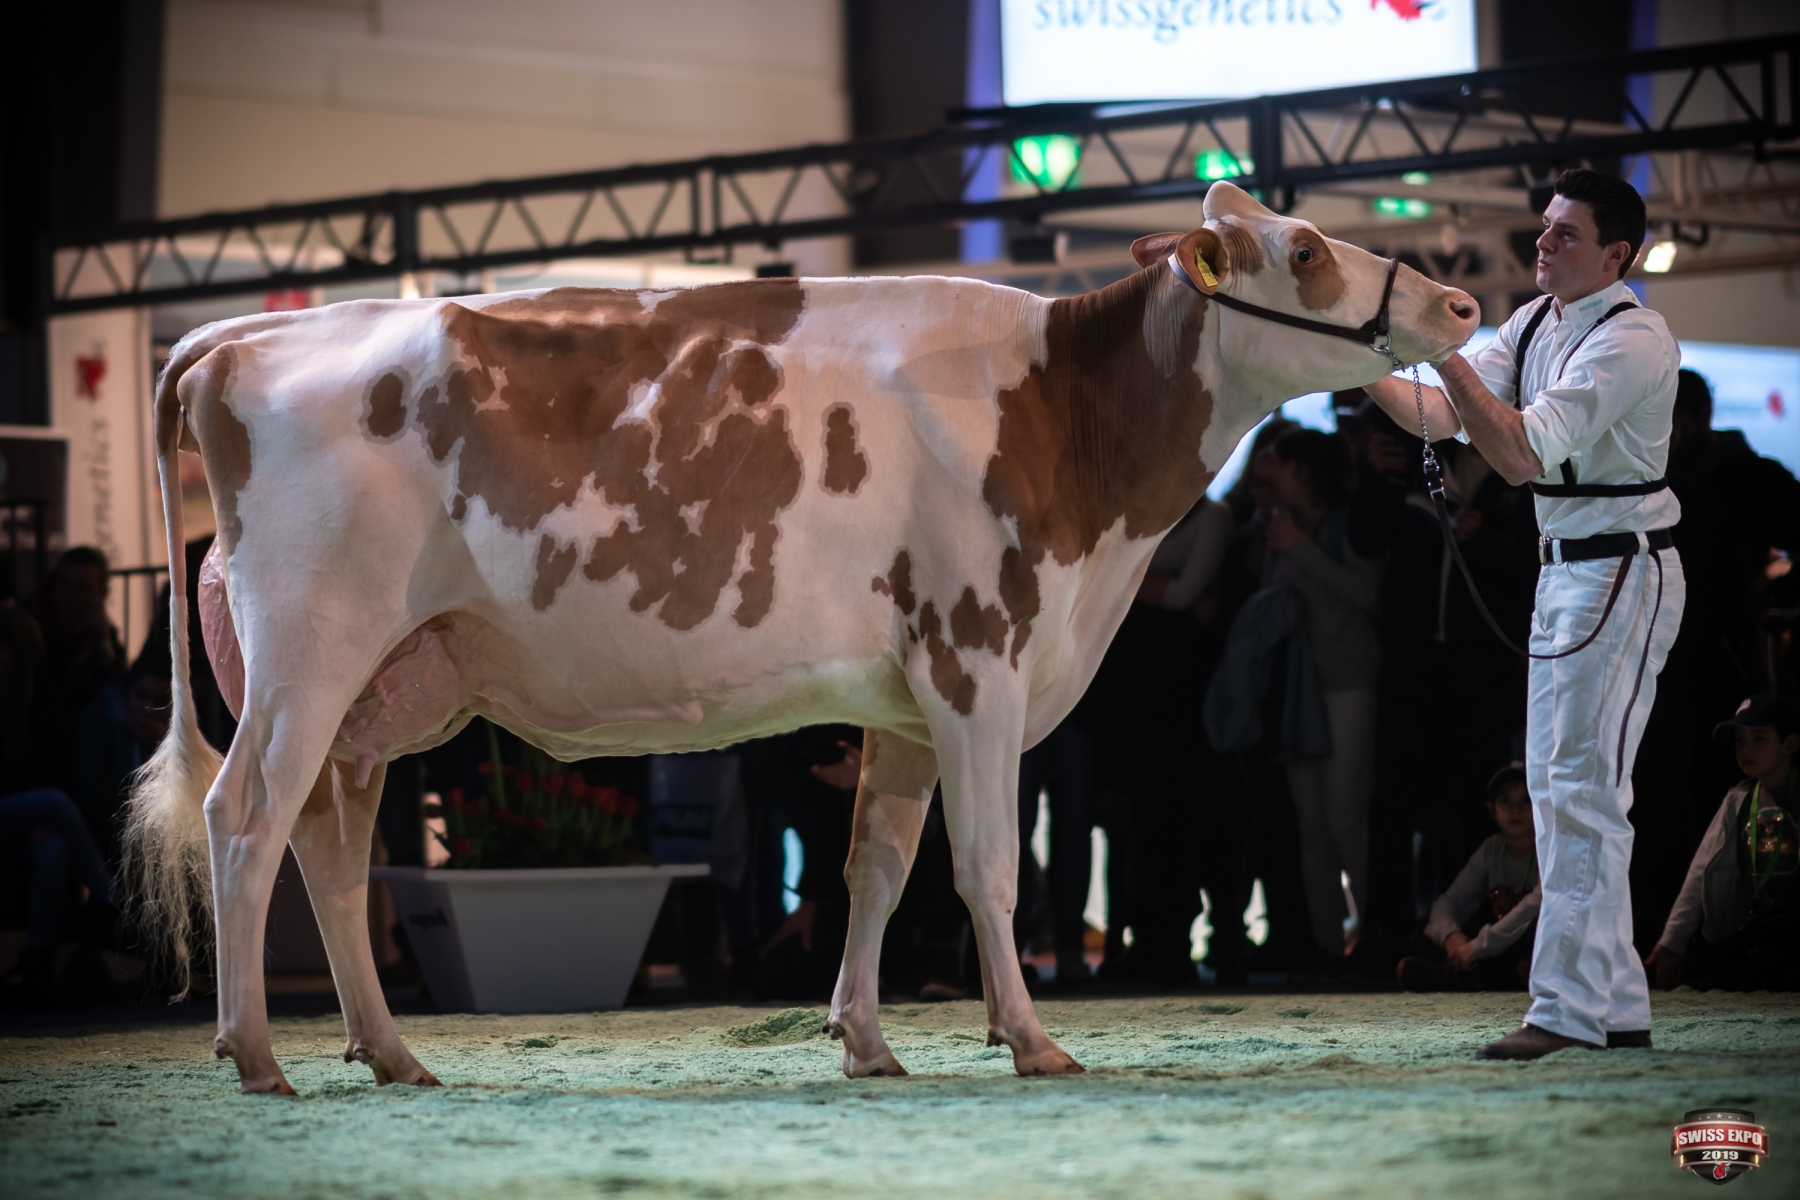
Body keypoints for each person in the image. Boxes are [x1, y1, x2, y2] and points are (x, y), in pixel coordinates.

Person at [1364, 168, 1684, 1058]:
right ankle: (1614, 1005)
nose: (1542, 242)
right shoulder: (1538, 320)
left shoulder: (1635, 338)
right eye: (1545, 226)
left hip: (1621, 565)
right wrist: (1362, 357)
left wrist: (1437, 349)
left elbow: (1516, 456)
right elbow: (1439, 417)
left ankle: (1566, 1011)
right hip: (1567, 567)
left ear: (1615, 255)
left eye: (1564, 233)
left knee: (1581, 789)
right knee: (1559, 789)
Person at [1262, 427, 1384, 967]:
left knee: (1344, 820)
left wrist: (1301, 550)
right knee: (1311, 826)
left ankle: (1374, 937)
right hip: (1300, 688)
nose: (1268, 470)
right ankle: (1327, 947)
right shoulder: (1278, 526)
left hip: (1348, 678)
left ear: (1302, 470)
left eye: (1278, 461)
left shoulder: (1344, 523)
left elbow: (1367, 593)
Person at [1645, 695, 1799, 993]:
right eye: (1740, 741)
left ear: (1789, 744)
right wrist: (1672, 942)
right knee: (1706, 969)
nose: (1745, 749)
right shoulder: (1737, 801)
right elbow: (1701, 870)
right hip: (1755, 931)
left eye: (1758, 738)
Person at [1397, 764, 1540, 992]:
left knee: (1534, 945)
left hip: (1525, 944)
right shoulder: (1491, 849)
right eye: (1505, 800)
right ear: (1492, 810)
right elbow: (1448, 903)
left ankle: (1452, 976)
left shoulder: (1547, 848)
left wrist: (1478, 947)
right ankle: (1468, 973)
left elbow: (1533, 907)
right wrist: (1452, 937)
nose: (1516, 810)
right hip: (1494, 947)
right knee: (1422, 933)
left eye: (1526, 800)